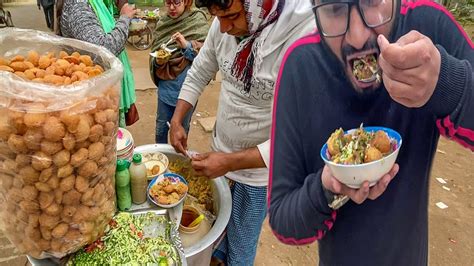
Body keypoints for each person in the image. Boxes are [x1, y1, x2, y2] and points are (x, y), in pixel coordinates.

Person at [268, 0, 473, 265]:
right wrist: (328, 189)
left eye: (371, 1)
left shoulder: (427, 28)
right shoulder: (300, 67)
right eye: (334, 9)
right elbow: (283, 219)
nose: (357, 37)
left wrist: (445, 82)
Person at [168, 0, 316, 264]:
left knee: (241, 248)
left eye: (233, 16)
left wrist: (229, 162)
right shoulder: (224, 23)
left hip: (257, 175)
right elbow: (201, 69)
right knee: (215, 230)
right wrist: (178, 118)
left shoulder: (303, 34)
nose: (224, 28)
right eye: (218, 17)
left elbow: (301, 135)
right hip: (220, 153)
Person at [59, 0, 139, 127]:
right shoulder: (79, 5)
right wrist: (125, 18)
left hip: (102, 89)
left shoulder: (99, 4)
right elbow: (104, 49)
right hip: (91, 95)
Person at [150, 0, 209, 144]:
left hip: (188, 90)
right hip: (166, 90)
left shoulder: (197, 20)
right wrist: (159, 62)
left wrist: (187, 46)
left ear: (187, 2)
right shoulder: (163, 23)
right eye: (168, 3)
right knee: (161, 128)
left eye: (176, 3)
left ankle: (180, 160)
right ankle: (160, 157)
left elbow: (208, 58)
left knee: (183, 129)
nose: (171, 8)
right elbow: (155, 52)